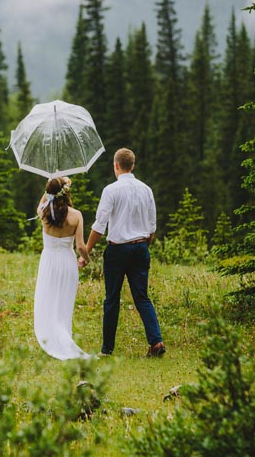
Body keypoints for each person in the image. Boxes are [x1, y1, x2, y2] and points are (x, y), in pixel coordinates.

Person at [82, 147, 166, 358]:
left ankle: (107, 349)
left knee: (112, 298)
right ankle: (156, 342)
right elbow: (152, 227)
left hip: (117, 250)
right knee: (142, 297)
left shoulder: (111, 190)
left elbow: (99, 225)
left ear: (116, 166)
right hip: (140, 247)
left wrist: (85, 252)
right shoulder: (146, 189)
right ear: (133, 165)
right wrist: (142, 246)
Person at [33, 176, 93, 360]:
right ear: (66, 193)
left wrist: (55, 184)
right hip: (67, 262)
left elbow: (44, 200)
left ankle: (52, 337)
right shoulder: (76, 216)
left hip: (49, 261)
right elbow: (81, 246)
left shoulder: (43, 212)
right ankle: (64, 334)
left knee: (49, 299)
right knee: (64, 302)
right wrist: (86, 260)